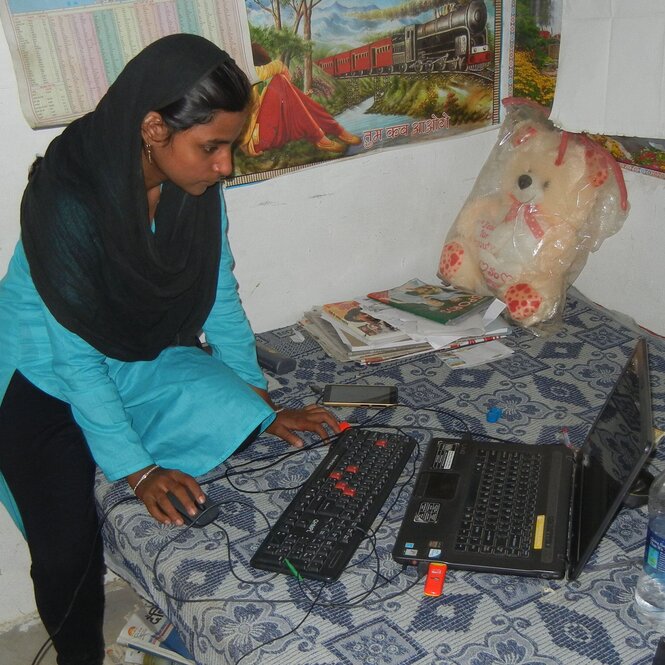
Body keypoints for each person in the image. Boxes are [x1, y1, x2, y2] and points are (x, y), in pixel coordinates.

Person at [0, 34, 339, 665]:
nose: (225, 167)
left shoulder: (196, 195)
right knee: (66, 549)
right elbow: (76, 361)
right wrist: (139, 470)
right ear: (153, 127)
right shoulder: (66, 204)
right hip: (41, 373)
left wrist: (257, 399)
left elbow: (220, 295)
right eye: (211, 147)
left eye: (229, 146)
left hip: (138, 352)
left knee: (234, 417)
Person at [240, 43, 361, 156]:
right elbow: (274, 68)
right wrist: (283, 71)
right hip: (256, 141)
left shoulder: (250, 79)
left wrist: (290, 92)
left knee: (289, 90)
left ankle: (334, 130)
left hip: (264, 131)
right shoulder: (242, 73)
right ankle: (322, 135)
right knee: (279, 80)